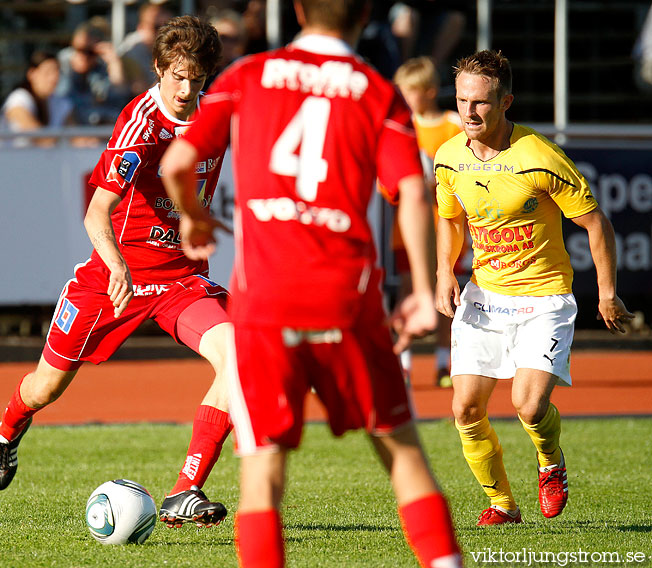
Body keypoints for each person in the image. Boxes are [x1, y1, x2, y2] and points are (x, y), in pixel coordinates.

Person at [160, 1, 463, 567]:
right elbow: (414, 192)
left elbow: (177, 163)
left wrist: (193, 216)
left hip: (265, 305)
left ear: (298, 9)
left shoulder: (246, 76)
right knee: (402, 455)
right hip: (347, 298)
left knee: (263, 473)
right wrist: (423, 290)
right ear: (364, 13)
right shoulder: (376, 91)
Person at [0, 15, 233, 530]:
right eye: (178, 76)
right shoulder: (141, 123)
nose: (187, 89)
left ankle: (186, 489)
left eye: (198, 78)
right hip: (112, 279)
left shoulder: (218, 118)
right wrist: (117, 263)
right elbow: (96, 212)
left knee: (239, 356)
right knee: (45, 389)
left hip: (177, 280)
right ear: (160, 69)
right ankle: (9, 431)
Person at [434, 50, 634, 526]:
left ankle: (550, 462)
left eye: (481, 102)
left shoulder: (538, 156)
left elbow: (595, 222)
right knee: (464, 409)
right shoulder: (448, 159)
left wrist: (606, 293)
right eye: (462, 100)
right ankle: (502, 504)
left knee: (528, 405)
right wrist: (445, 270)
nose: (469, 112)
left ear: (505, 103)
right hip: (485, 294)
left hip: (543, 299)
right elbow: (450, 219)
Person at [392, 56, 465, 388]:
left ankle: (443, 362)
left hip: (446, 225)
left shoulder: (453, 124)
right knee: (408, 290)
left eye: (411, 91)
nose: (405, 98)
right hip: (406, 228)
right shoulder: (400, 126)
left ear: (430, 91)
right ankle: (403, 362)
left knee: (445, 292)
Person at [55, 16, 131, 126]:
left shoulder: (101, 66)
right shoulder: (64, 61)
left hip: (97, 130)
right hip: (71, 131)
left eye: (89, 52)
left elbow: (119, 97)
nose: (83, 56)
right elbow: (61, 100)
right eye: (78, 49)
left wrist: (114, 63)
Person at [0, 50, 71, 147]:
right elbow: (39, 138)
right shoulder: (18, 98)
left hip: (45, 160)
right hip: (13, 160)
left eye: (57, 71)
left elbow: (76, 134)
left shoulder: (59, 102)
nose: (54, 77)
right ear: (31, 74)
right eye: (48, 72)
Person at [118, 3, 174, 97]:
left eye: (168, 28)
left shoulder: (172, 47)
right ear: (141, 28)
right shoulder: (131, 50)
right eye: (156, 27)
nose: (163, 33)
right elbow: (142, 92)